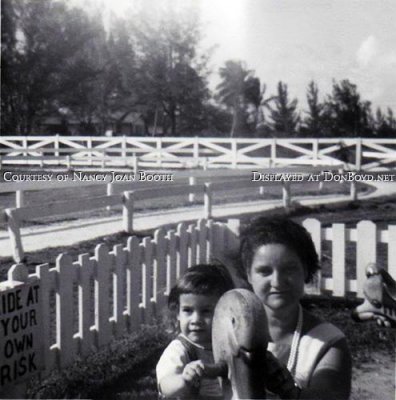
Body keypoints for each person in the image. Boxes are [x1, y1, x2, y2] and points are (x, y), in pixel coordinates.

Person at [240, 217, 352, 400]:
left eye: (289, 269)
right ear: (248, 274)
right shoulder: (228, 328)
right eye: (265, 271)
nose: (277, 282)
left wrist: (289, 391)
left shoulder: (328, 343)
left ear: (306, 270)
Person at [156, 264, 234, 400]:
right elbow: (165, 383)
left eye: (206, 311)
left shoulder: (228, 345)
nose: (196, 320)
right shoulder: (180, 350)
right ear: (177, 313)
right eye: (188, 310)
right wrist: (184, 380)